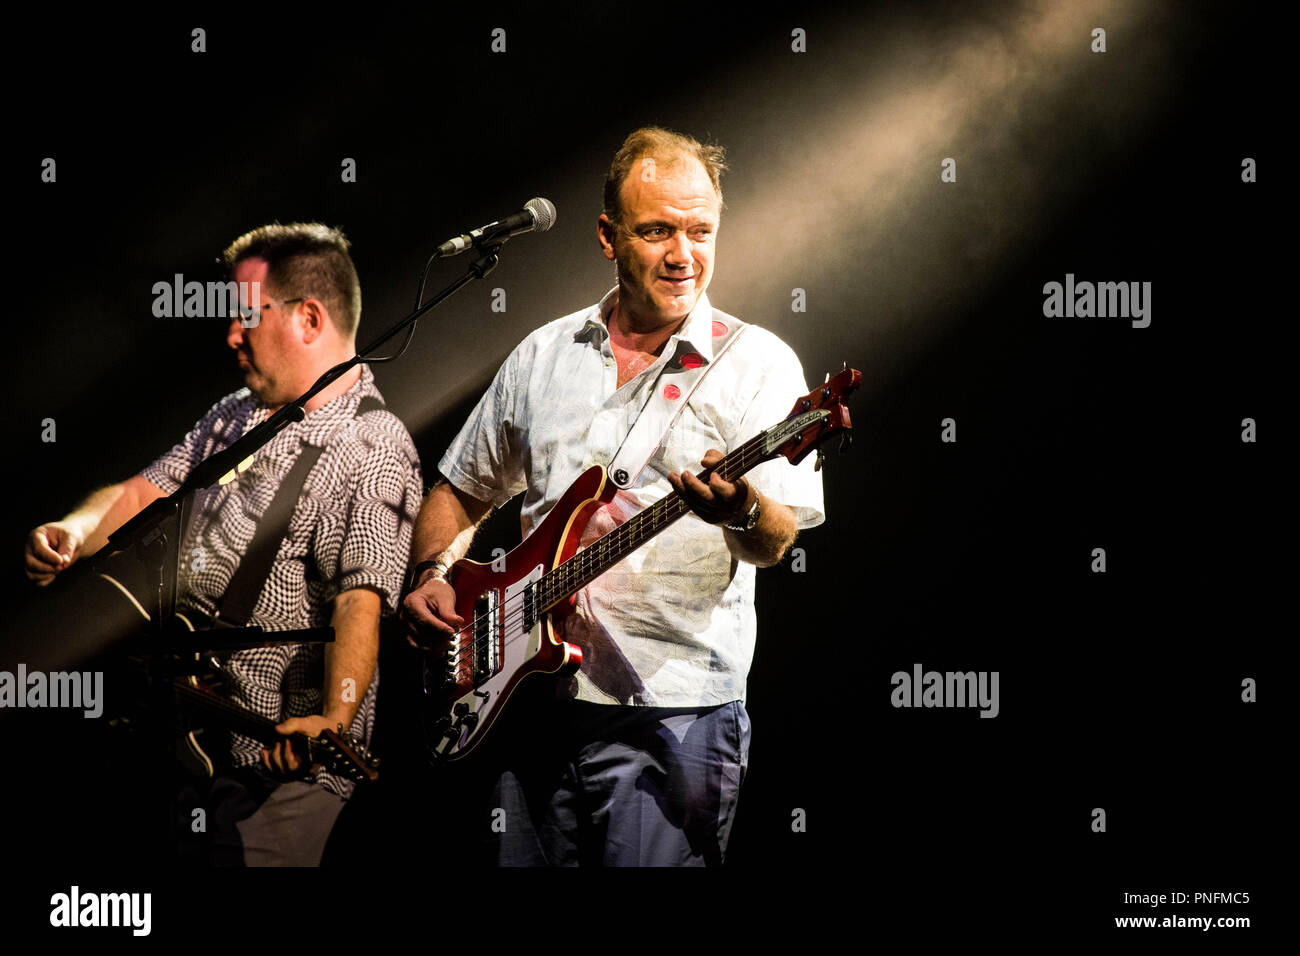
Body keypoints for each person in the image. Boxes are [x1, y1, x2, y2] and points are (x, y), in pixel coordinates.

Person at [402, 127, 825, 866]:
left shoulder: (757, 363)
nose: (682, 254)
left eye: (700, 231)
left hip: (675, 714)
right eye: (657, 230)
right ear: (608, 235)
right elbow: (459, 491)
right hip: (522, 706)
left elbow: (777, 538)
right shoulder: (544, 353)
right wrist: (433, 576)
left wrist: (742, 512)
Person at [23, 222, 423, 865]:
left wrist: (334, 721)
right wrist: (71, 530)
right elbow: (140, 492)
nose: (231, 335)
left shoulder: (374, 447)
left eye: (246, 317)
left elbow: (362, 601)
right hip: (187, 745)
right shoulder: (235, 414)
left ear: (309, 319)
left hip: (279, 778)